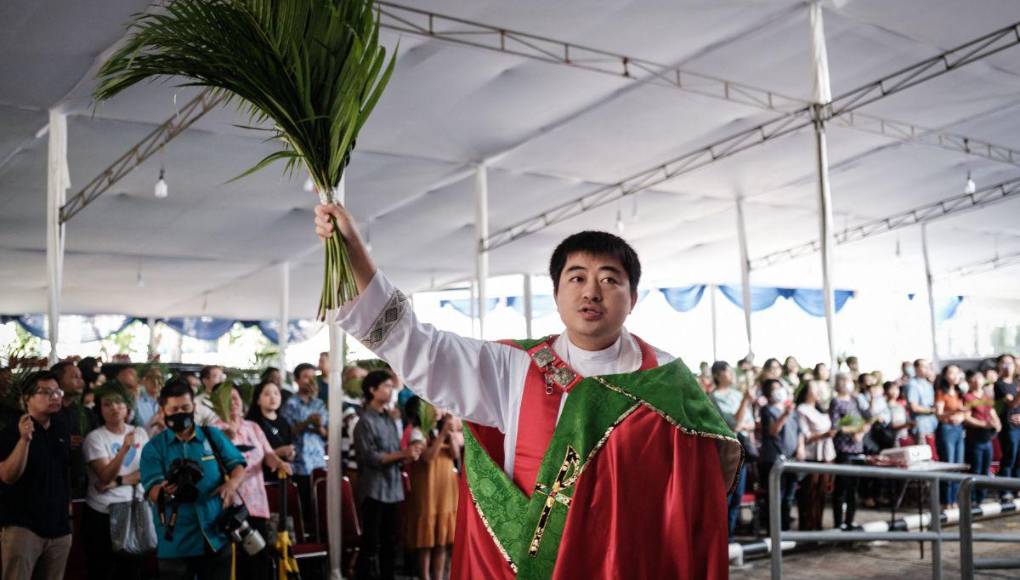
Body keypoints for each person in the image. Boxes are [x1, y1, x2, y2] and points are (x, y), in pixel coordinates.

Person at [315, 203, 741, 579]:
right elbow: (419, 345)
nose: (592, 291)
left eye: (610, 279)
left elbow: (697, 494)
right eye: (577, 277)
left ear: (632, 298)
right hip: (540, 565)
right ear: (556, 293)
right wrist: (356, 254)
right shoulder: (514, 366)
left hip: (629, 560)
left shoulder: (666, 381)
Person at [139, 377, 246, 580]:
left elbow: (238, 466)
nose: (180, 413)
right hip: (176, 542)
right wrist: (164, 491)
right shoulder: (153, 448)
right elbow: (152, 491)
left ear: (193, 407)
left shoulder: (213, 436)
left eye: (185, 407)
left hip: (216, 536)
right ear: (163, 410)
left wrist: (232, 484)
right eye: (174, 409)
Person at [0, 372, 73, 580]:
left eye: (57, 391)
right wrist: (24, 440)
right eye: (46, 392)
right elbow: (7, 475)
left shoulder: (61, 427)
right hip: (23, 527)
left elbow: (63, 474)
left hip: (59, 528)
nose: (55, 397)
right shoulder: (11, 432)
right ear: (26, 399)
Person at [214, 385, 292, 580]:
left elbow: (268, 455)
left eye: (236, 398)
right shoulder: (213, 429)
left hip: (256, 503)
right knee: (234, 562)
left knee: (259, 559)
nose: (234, 402)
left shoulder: (253, 427)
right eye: (229, 399)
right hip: (227, 506)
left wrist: (280, 463)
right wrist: (227, 437)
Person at [354, 370, 422, 580]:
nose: (390, 389)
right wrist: (402, 454)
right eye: (385, 386)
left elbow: (394, 450)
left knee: (392, 542)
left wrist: (409, 454)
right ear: (372, 390)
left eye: (390, 385)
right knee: (371, 543)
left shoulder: (391, 418)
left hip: (393, 488)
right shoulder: (365, 422)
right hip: (374, 489)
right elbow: (371, 457)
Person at [82, 383, 150, 580]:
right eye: (107, 404)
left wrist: (118, 482)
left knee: (132, 570)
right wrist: (124, 449)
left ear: (127, 407)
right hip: (103, 514)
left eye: (119, 403)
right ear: (100, 409)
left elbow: (148, 471)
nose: (114, 408)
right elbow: (105, 476)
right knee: (102, 569)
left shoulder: (140, 433)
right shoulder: (95, 438)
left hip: (134, 509)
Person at [402, 396, 459, 580]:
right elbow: (427, 458)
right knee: (426, 541)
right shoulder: (418, 432)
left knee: (442, 540)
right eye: (434, 406)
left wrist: (449, 436)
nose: (439, 410)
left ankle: (440, 576)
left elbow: (456, 454)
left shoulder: (440, 430)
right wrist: (442, 434)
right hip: (428, 488)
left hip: (446, 488)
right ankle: (425, 576)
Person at [281, 362, 328, 532]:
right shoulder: (290, 403)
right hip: (300, 461)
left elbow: (326, 433)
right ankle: (305, 534)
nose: (309, 381)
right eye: (305, 377)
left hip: (317, 460)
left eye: (312, 377)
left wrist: (318, 426)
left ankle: (319, 533)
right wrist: (308, 421)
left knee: (319, 501)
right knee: (303, 502)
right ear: (297, 380)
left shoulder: (319, 404)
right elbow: (288, 432)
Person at [709, 361, 753, 539]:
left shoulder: (737, 394)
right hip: (726, 452)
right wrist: (744, 402)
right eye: (728, 371)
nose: (732, 375)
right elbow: (732, 423)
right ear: (719, 375)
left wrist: (740, 422)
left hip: (742, 448)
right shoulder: (713, 397)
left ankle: (730, 536)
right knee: (726, 495)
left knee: (738, 496)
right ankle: (720, 539)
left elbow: (749, 423)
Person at [759, 378, 803, 531]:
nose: (778, 390)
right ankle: (775, 532)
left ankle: (785, 530)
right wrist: (784, 415)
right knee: (777, 497)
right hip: (774, 459)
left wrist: (801, 447)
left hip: (791, 458)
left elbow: (799, 431)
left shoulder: (790, 410)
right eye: (774, 388)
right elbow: (773, 431)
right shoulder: (767, 410)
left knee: (789, 498)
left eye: (780, 387)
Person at [51, 359, 98, 499]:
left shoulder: (86, 413)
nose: (81, 381)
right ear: (58, 382)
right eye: (74, 377)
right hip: (54, 480)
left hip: (84, 481)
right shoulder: (48, 413)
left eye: (81, 377)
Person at [795, 380, 836, 530]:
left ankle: (818, 525)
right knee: (809, 493)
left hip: (826, 455)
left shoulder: (822, 410)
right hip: (812, 455)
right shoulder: (801, 409)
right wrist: (824, 435)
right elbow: (805, 434)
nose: (818, 391)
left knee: (822, 493)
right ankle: (807, 527)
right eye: (814, 388)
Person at [830, 373, 865, 530]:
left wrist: (861, 431)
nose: (846, 383)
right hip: (844, 449)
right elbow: (836, 426)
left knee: (854, 489)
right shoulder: (835, 401)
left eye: (848, 380)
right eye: (843, 380)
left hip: (857, 449)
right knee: (841, 489)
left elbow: (865, 419)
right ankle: (839, 523)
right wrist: (852, 431)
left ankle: (850, 521)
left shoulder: (856, 400)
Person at [246, 380, 296, 480]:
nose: (273, 397)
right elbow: (249, 456)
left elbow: (291, 445)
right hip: (259, 477)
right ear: (258, 399)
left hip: (283, 476)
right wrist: (276, 452)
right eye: (267, 394)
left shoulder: (284, 422)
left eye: (276, 393)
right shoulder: (251, 424)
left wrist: (291, 454)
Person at [964, 370, 1000, 504]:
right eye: (974, 378)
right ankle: (972, 499)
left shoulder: (986, 397)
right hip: (975, 438)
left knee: (985, 469)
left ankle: (981, 498)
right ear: (970, 381)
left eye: (979, 377)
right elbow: (967, 418)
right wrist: (984, 424)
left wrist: (997, 423)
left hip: (987, 438)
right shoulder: (967, 397)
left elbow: (992, 413)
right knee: (976, 469)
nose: (978, 380)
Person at [934, 364, 967, 508]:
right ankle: (946, 501)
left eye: (957, 373)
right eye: (951, 373)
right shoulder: (941, 392)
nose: (955, 376)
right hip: (946, 429)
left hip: (959, 429)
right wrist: (954, 413)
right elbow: (939, 414)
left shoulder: (960, 392)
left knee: (958, 465)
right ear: (945, 376)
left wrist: (962, 415)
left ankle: (955, 499)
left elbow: (966, 411)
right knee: (948, 464)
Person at [994, 354, 1020, 487]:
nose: (1008, 366)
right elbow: (1012, 404)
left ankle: (1017, 488)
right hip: (1008, 427)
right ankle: (1006, 490)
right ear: (999, 365)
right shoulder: (999, 384)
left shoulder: (1016, 383)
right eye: (1004, 363)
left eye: (1010, 363)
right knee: (1009, 458)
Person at [906, 359, 939, 457]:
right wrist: (932, 410)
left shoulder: (928, 383)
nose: (927, 369)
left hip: (931, 425)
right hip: (921, 427)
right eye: (924, 367)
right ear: (916, 368)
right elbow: (914, 407)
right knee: (924, 456)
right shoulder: (913, 384)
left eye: (928, 366)